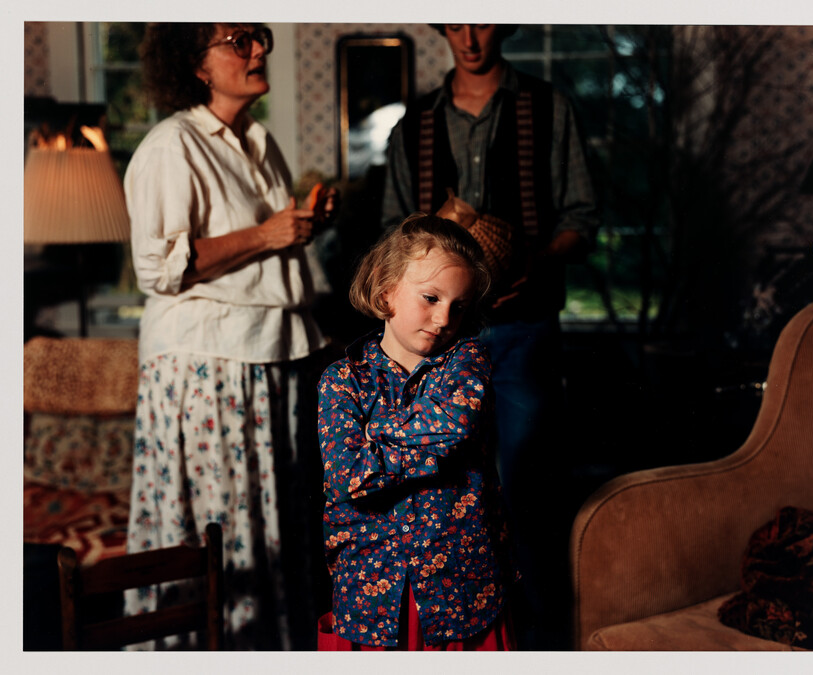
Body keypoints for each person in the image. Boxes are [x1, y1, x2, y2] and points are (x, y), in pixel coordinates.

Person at [381, 23, 599, 647]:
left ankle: (540, 643)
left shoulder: (549, 109)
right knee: (442, 497)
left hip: (523, 330)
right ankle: (458, 641)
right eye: (454, 21)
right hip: (434, 345)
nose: (470, 35)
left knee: (530, 494)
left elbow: (583, 220)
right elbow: (391, 234)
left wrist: (536, 257)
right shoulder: (415, 124)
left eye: (482, 18)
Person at [124, 23, 335, 650]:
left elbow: (264, 253)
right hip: (209, 363)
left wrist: (298, 230)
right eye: (238, 41)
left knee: (273, 528)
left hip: (272, 353)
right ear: (197, 65)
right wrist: (267, 235)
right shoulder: (172, 145)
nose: (258, 50)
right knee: (227, 528)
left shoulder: (259, 142)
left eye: (259, 36)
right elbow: (159, 266)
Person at [315, 214, 517, 650]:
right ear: (386, 290)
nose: (444, 318)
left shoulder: (468, 360)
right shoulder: (340, 380)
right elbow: (349, 476)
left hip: (462, 588)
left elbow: (455, 425)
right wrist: (432, 448)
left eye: (458, 306)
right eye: (430, 297)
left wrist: (379, 432)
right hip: (372, 590)